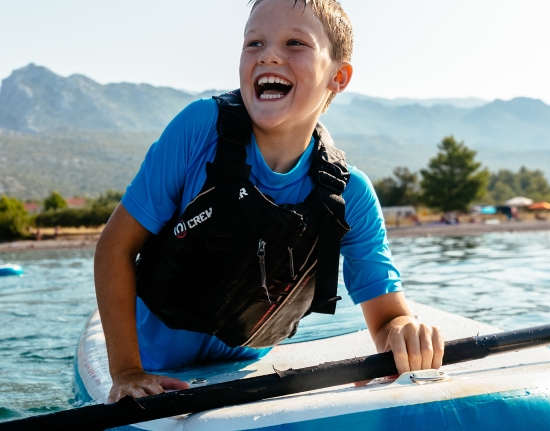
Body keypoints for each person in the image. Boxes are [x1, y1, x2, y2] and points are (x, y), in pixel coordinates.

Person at [95, 0, 444, 403]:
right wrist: (127, 371)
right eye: (254, 43)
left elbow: (387, 321)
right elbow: (114, 248)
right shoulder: (198, 130)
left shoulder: (351, 196)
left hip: (245, 367)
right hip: (151, 361)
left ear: (339, 76)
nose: (270, 55)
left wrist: (404, 330)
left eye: (295, 43)